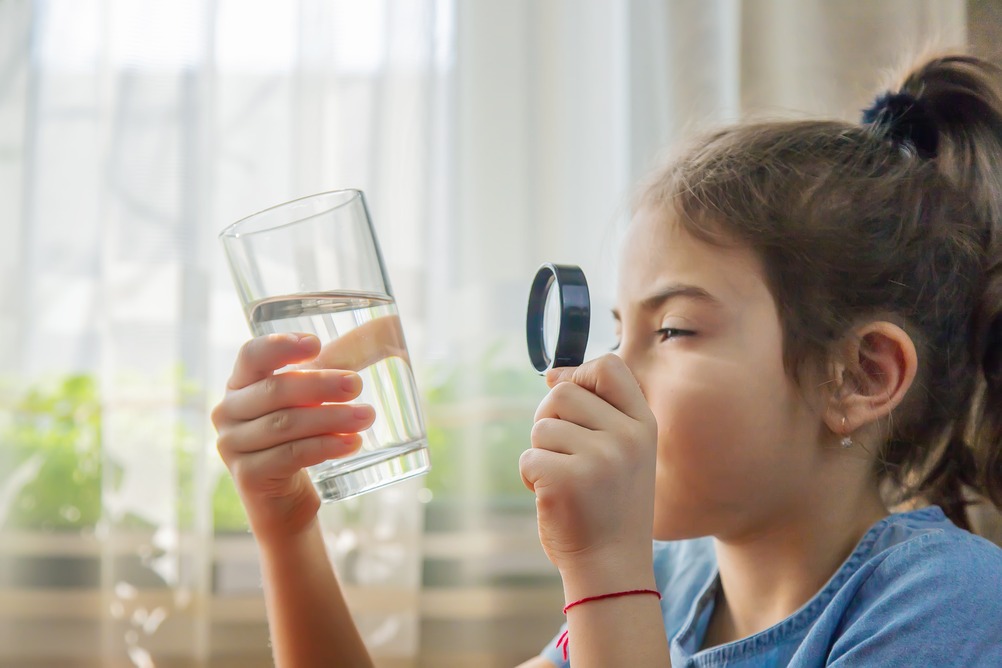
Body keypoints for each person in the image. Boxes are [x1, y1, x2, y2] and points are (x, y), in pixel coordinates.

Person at [211, 51, 1002, 667]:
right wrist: (287, 527)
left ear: (860, 376)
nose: (606, 373)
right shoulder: (671, 582)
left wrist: (604, 575)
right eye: (621, 329)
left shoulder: (947, 603)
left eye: (674, 331)